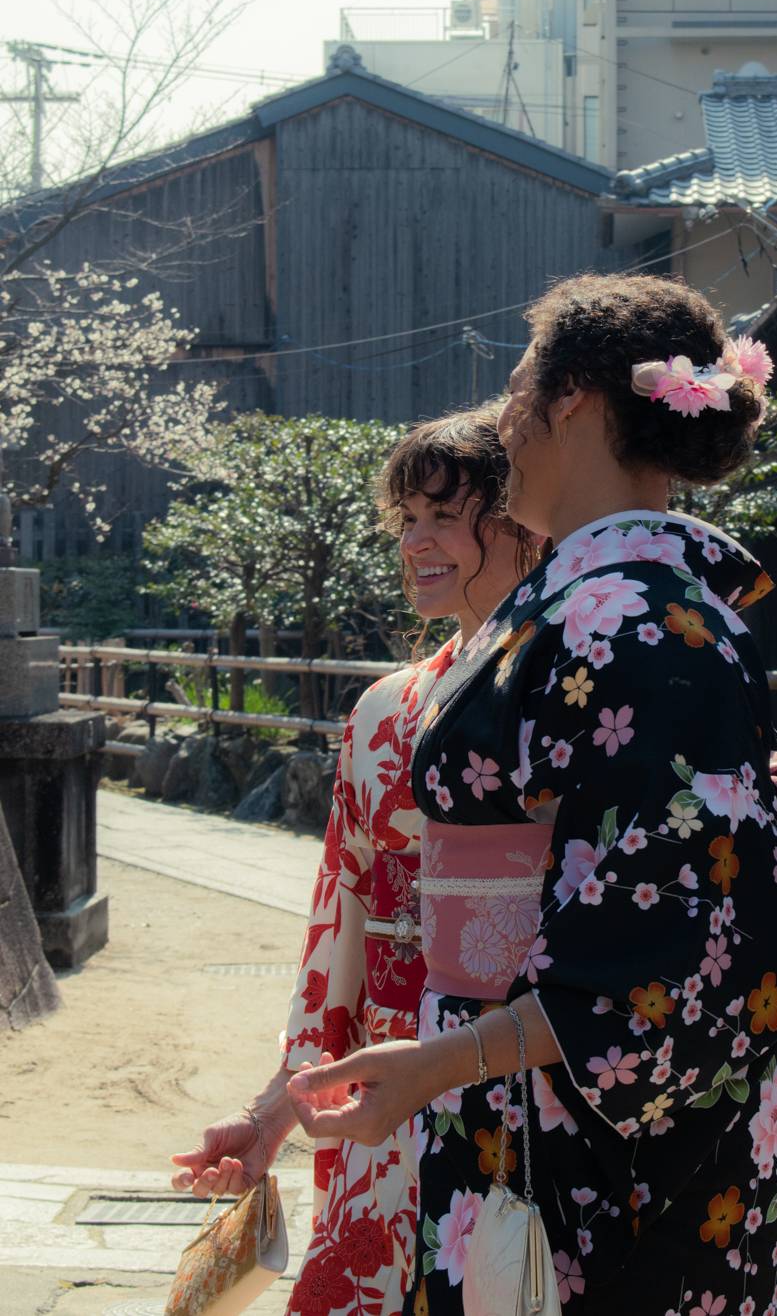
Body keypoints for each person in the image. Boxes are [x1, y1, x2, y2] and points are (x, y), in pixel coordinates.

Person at [287, 275, 777, 1316]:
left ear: (577, 400)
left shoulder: (638, 622)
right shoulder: (610, 610)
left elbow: (662, 949)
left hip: (602, 1152)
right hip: (525, 1103)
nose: (504, 421)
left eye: (516, 390)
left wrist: (438, 1064)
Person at [169, 404, 538, 1316]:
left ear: (523, 517)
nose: (417, 541)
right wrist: (272, 1113)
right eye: (406, 519)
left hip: (526, 1067)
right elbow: (343, 921)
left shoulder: (579, 687)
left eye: (445, 516)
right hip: (381, 1068)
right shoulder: (384, 711)